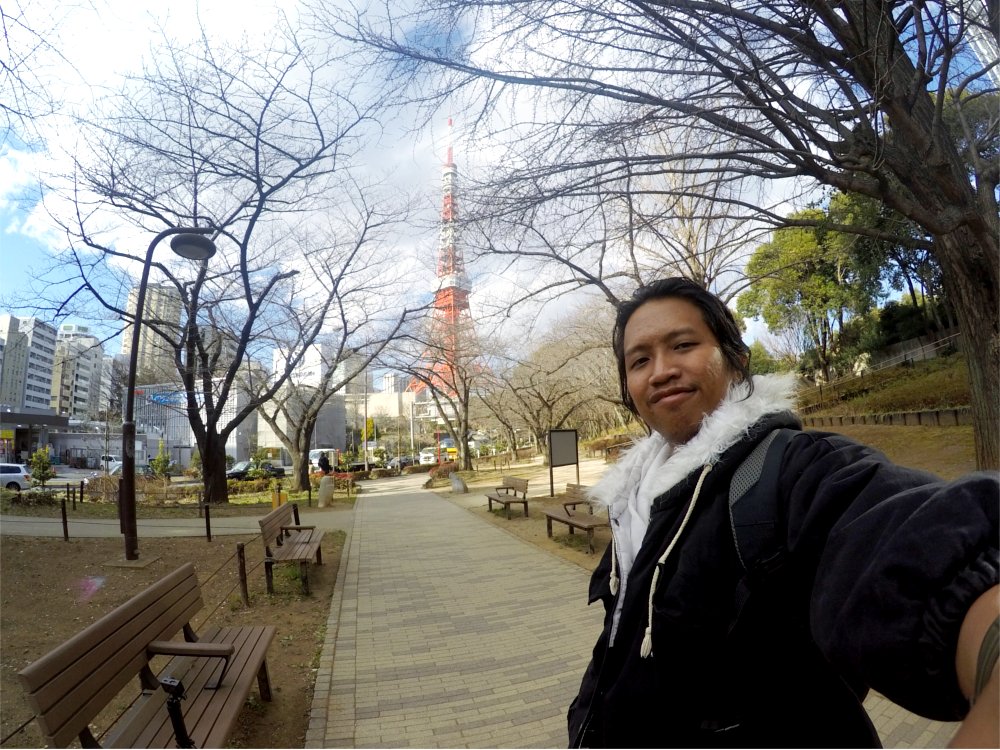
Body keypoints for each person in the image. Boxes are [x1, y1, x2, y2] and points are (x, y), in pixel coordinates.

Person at [568, 278, 998, 748]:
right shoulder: (635, 499)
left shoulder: (791, 468)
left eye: (684, 345)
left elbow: (904, 536)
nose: (661, 371)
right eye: (640, 360)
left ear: (737, 359)